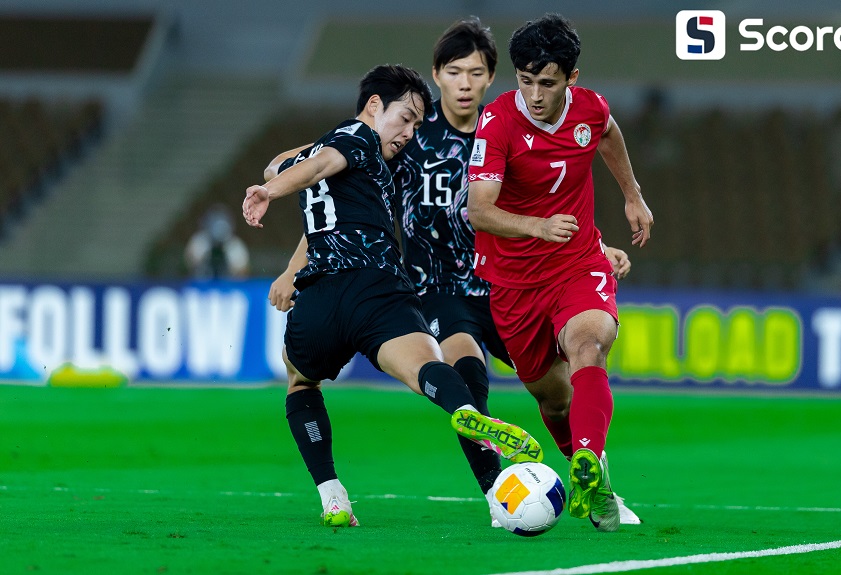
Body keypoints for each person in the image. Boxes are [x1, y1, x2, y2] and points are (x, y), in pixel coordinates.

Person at [268, 20, 640, 530]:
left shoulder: (511, 126)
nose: (465, 83)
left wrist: (596, 242)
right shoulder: (406, 138)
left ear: (492, 79)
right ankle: (498, 494)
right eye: (454, 71)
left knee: (558, 393)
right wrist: (293, 261)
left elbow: (557, 189)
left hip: (513, 282)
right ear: (437, 76)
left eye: (476, 72)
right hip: (442, 289)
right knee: (467, 374)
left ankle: (598, 484)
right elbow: (335, 193)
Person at [242, 64, 543, 529]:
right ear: (375, 106)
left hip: (321, 294)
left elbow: (295, 166)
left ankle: (332, 496)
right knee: (427, 367)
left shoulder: (351, 151)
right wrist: (270, 192)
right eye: (406, 118)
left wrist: (287, 257)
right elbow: (317, 164)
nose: (409, 132)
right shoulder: (359, 138)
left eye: (419, 124)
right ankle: (464, 410)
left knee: (301, 384)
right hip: (379, 288)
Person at [466, 14, 654, 532]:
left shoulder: (590, 108)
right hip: (513, 281)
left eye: (546, 82)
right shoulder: (499, 121)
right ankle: (597, 483)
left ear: (571, 77)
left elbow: (609, 134)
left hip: (577, 261)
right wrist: (536, 226)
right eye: (524, 81)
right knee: (553, 397)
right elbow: (479, 210)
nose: (533, 94)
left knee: (590, 343)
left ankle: (591, 468)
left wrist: (632, 196)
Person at [184, 204, 250, 279]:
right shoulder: (198, 242)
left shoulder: (236, 246)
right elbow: (188, 268)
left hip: (229, 287)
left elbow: (243, 274)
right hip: (201, 285)